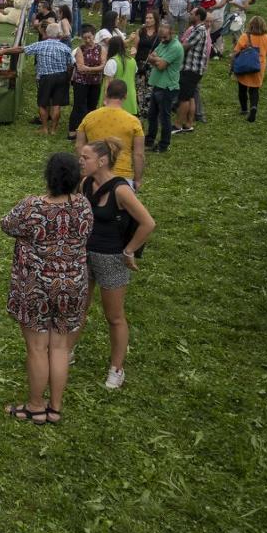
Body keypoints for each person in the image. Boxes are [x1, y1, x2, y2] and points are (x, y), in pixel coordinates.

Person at [0, 152, 92, 424]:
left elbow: (7, 225)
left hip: (36, 285)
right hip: (73, 284)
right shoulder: (84, 206)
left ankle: (36, 405)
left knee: (38, 348)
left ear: (48, 177)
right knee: (61, 347)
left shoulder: (32, 206)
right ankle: (55, 407)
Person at [75, 138, 156, 390]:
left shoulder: (121, 190)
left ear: (101, 161)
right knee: (79, 309)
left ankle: (116, 369)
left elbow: (148, 223)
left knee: (114, 316)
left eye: (85, 157)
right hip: (85, 255)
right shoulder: (86, 183)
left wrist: (129, 250)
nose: (81, 160)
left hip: (111, 260)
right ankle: (67, 352)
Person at [2, 23, 74, 135]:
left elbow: (21, 49)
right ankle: (54, 129)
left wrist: (4, 51)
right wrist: (67, 78)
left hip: (45, 77)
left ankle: (44, 128)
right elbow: (71, 64)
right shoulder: (65, 47)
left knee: (42, 104)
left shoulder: (40, 45)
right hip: (61, 76)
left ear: (47, 33)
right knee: (56, 104)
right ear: (59, 34)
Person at [76, 80, 145, 189]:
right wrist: (137, 179)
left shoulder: (89, 117)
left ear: (106, 94)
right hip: (122, 177)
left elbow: (79, 146)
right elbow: (139, 154)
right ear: (125, 96)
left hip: (94, 175)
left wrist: (85, 170)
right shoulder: (133, 121)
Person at [232, 17, 267, 123]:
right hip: (258, 66)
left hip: (244, 65)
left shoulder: (245, 36)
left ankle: (244, 109)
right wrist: (265, 54)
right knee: (254, 89)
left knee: (242, 88)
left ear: (250, 25)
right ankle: (253, 107)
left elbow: (236, 50)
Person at [144, 21, 183, 153]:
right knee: (152, 115)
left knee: (164, 118)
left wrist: (156, 59)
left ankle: (163, 144)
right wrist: (157, 59)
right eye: (160, 37)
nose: (162, 40)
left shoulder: (176, 47)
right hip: (157, 84)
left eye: (165, 37)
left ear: (172, 33)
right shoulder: (163, 42)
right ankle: (150, 139)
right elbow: (150, 57)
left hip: (167, 86)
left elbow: (161, 66)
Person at [174, 8, 210, 135]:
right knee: (190, 97)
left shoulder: (199, 30)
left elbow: (184, 47)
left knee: (184, 98)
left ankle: (178, 124)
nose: (190, 15)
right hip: (194, 69)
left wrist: (173, 46)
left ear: (198, 16)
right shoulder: (197, 29)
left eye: (192, 14)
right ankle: (188, 124)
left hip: (191, 69)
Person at [68, 25, 106, 137]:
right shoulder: (80, 49)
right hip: (81, 82)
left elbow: (103, 66)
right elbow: (80, 68)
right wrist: (96, 69)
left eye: (89, 37)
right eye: (85, 38)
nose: (87, 40)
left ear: (94, 36)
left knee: (92, 106)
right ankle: (73, 130)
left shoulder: (101, 49)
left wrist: (88, 69)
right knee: (78, 106)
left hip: (95, 83)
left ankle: (89, 129)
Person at [101, 35, 138, 115]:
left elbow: (108, 84)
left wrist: (105, 99)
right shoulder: (132, 61)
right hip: (129, 95)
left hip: (114, 99)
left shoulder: (112, 61)